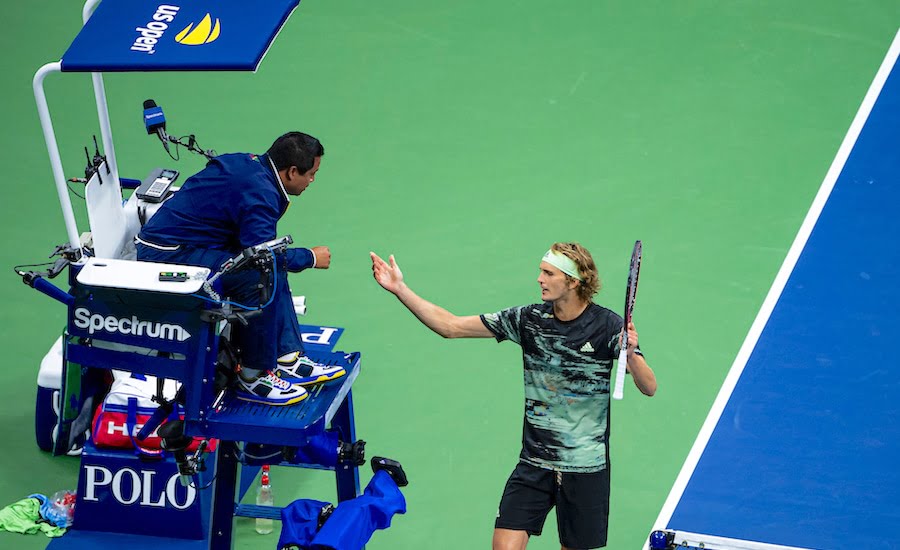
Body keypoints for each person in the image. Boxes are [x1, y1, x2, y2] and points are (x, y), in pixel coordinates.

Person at [369, 242, 657, 550]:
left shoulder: (607, 326)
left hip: (584, 467)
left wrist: (631, 353)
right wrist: (400, 289)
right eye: (541, 271)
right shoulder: (528, 320)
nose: (539, 279)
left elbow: (648, 386)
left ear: (573, 282)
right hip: (534, 462)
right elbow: (450, 326)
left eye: (548, 273)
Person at [135, 131, 346, 406]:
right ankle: (253, 376)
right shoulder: (260, 193)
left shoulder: (251, 167)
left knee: (271, 263)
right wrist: (310, 257)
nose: (312, 180)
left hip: (189, 244)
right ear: (292, 171)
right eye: (311, 174)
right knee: (258, 274)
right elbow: (262, 256)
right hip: (168, 257)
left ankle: (287, 356)